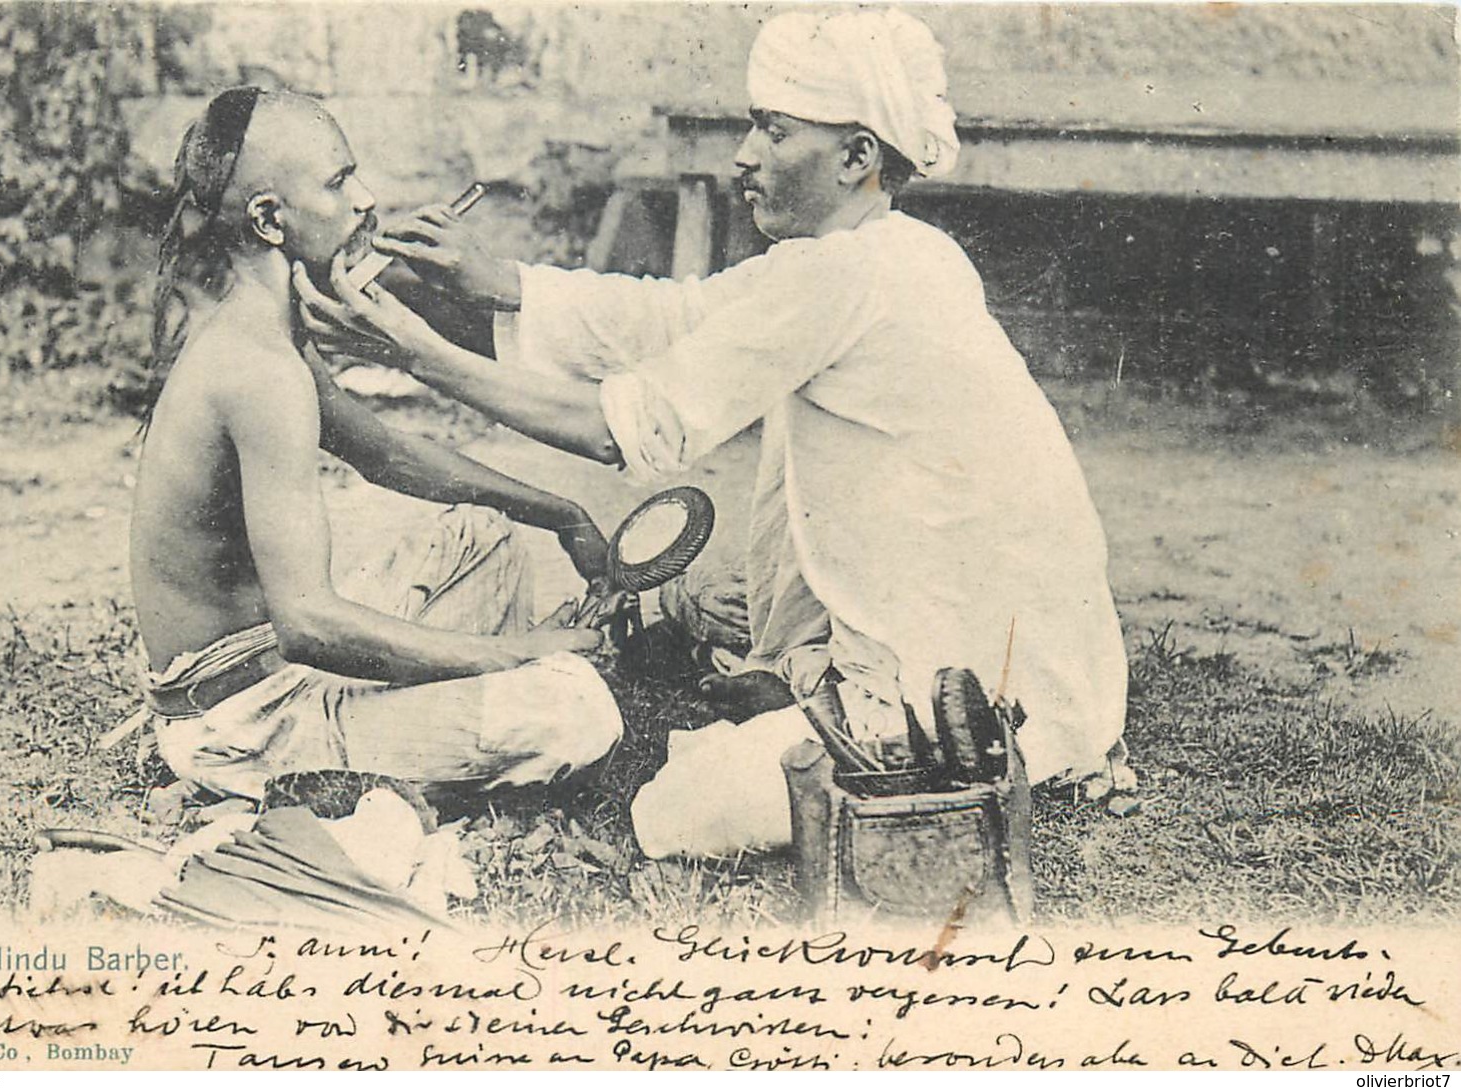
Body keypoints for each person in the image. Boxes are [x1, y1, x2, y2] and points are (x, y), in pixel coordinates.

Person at [296, 9, 1132, 827]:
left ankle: (862, 707)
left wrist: (411, 353)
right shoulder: (894, 251)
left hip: (978, 689)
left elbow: (618, 428)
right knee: (732, 592)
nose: (744, 155)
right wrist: (504, 283)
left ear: (855, 156)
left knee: (679, 809)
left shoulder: (843, 277)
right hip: (1020, 655)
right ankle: (809, 677)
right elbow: (682, 320)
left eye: (773, 131)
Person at [128, 87, 621, 802]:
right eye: (337, 182)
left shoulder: (263, 326)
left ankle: (433, 728)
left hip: (270, 670)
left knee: (483, 534)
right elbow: (307, 624)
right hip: (242, 722)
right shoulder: (258, 370)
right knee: (575, 708)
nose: (365, 199)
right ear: (269, 218)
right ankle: (346, 785)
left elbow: (385, 453)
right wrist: (513, 653)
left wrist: (561, 512)